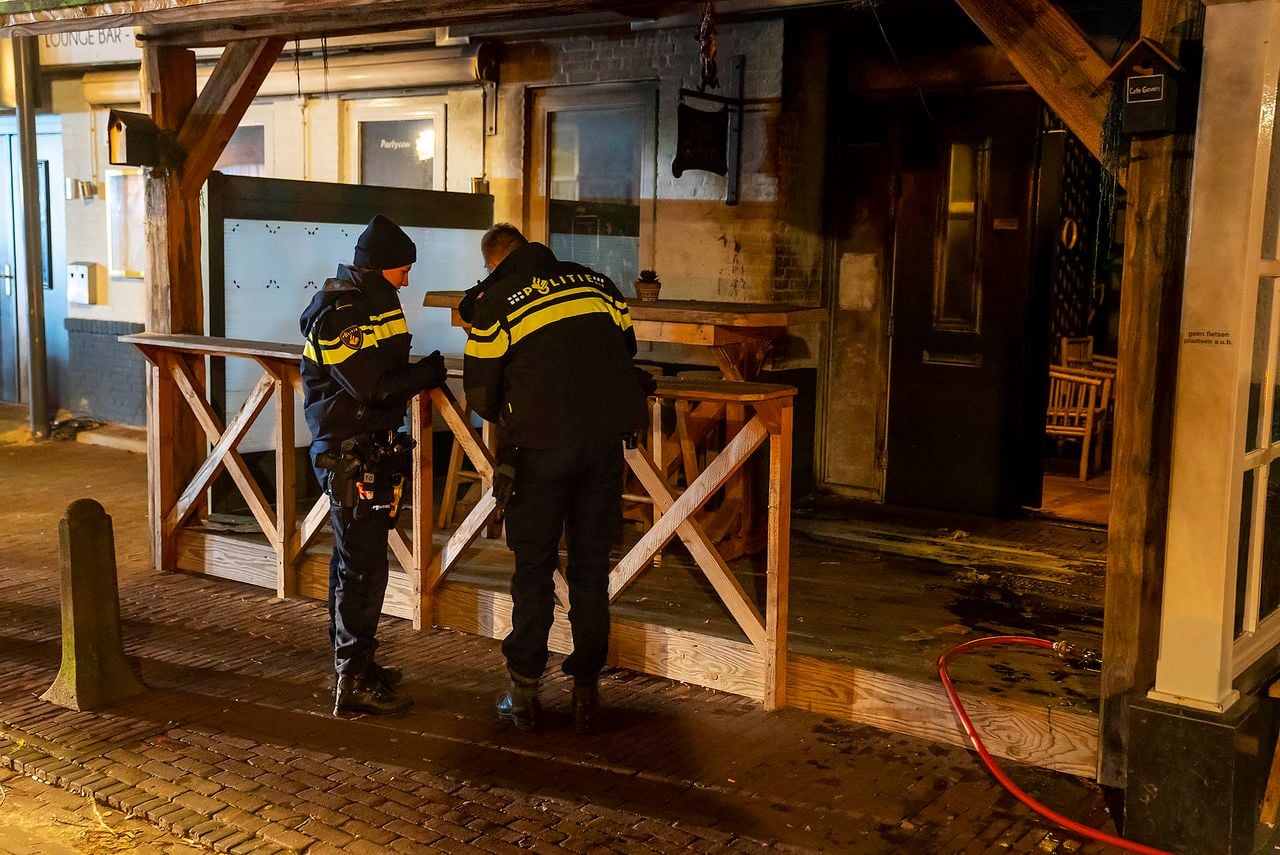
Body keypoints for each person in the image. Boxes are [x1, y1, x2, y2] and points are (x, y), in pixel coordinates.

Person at [463, 223, 650, 734]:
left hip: (538, 452)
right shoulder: (597, 282)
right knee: (591, 568)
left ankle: (524, 693)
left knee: (534, 569)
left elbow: (479, 393)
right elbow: (626, 349)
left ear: (495, 263)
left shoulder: (497, 300)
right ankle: (586, 692)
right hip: (604, 445)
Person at [300, 214, 446, 718]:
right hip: (348, 450)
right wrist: (426, 373)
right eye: (404, 268)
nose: (408, 278)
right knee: (362, 568)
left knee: (355, 563)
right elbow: (370, 385)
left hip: (364, 445)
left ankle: (357, 663)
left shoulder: (370, 302)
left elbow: (381, 372)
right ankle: (352, 679)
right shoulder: (344, 312)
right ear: (383, 266)